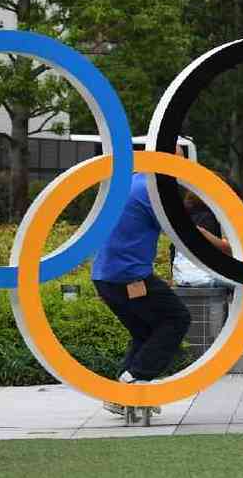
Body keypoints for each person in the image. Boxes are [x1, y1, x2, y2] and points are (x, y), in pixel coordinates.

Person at [92, 145, 231, 415]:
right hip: (128, 276)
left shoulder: (132, 182)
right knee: (177, 319)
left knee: (145, 331)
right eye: (179, 160)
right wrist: (230, 247)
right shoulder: (153, 192)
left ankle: (121, 394)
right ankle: (134, 380)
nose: (183, 168)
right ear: (165, 159)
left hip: (107, 276)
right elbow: (187, 234)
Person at [170, 190, 243, 348]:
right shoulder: (207, 218)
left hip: (189, 273)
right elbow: (224, 248)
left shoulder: (188, 216)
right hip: (200, 275)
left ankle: (241, 332)